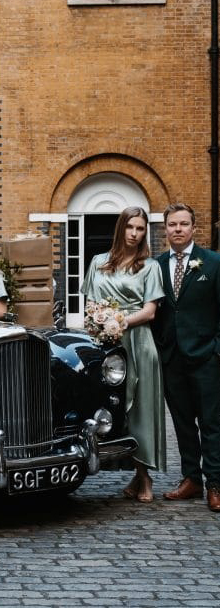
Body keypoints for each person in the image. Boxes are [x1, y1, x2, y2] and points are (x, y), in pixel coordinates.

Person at [80, 206, 165, 502]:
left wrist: (121, 321)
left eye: (140, 229)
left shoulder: (150, 266)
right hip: (106, 344)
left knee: (140, 411)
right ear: (121, 228)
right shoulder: (98, 262)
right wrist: (100, 321)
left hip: (139, 342)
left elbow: (151, 311)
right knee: (110, 408)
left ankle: (145, 478)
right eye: (130, 227)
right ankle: (117, 470)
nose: (135, 234)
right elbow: (90, 303)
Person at [153, 203, 220, 512]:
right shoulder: (156, 265)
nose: (177, 229)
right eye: (172, 225)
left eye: (183, 224)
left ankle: (215, 484)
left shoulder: (213, 263)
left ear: (194, 228)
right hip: (172, 358)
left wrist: (216, 349)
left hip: (206, 356)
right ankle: (191, 479)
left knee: (211, 422)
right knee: (182, 423)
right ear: (165, 229)